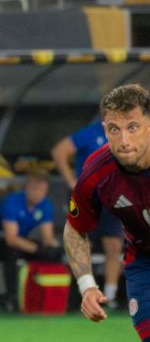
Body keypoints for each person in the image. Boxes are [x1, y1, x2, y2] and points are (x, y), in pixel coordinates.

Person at [64, 83, 150, 342]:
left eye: (133, 127)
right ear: (104, 129)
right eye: (114, 129)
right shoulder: (96, 172)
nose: (123, 140)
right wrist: (87, 285)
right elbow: (75, 229)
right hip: (144, 262)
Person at [51, 117, 123, 307]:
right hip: (86, 197)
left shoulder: (127, 135)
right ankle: (83, 294)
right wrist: (71, 181)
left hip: (112, 197)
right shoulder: (90, 132)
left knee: (113, 246)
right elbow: (59, 151)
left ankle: (109, 296)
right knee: (81, 243)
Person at [0, 171, 61, 311]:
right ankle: (12, 298)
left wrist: (54, 247)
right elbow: (11, 239)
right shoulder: (12, 201)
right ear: (26, 188)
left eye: (43, 190)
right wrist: (37, 249)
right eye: (35, 189)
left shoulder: (45, 205)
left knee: (53, 253)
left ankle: (48, 296)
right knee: (11, 252)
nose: (39, 194)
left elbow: (47, 238)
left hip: (22, 242)